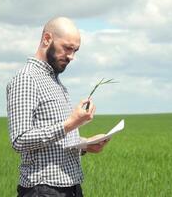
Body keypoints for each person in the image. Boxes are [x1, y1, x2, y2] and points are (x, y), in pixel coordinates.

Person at [6, 17, 109, 197]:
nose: (71, 56)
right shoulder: (26, 79)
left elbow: (56, 140)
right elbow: (19, 140)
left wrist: (85, 145)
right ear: (47, 39)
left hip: (70, 187)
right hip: (43, 190)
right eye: (67, 48)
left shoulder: (55, 82)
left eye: (75, 51)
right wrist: (70, 123)